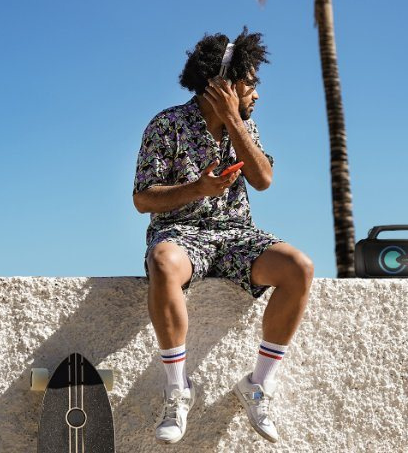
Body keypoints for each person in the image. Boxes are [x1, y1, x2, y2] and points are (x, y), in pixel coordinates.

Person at [132, 26, 315, 445]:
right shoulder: (167, 124)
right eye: (250, 83)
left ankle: (258, 384)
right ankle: (178, 390)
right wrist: (197, 188)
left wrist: (233, 119)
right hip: (182, 234)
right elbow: (143, 198)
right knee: (162, 261)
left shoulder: (245, 126)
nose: (257, 94)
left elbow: (263, 179)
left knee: (299, 267)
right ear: (222, 84)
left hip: (235, 235)